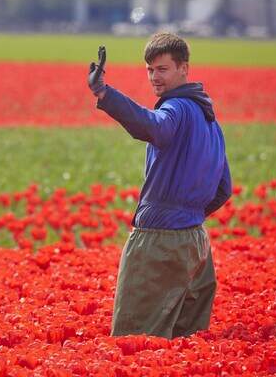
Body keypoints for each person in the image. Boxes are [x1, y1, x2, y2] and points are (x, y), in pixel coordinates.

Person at [87, 32, 232, 339]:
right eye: (150, 70)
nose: (154, 77)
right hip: (197, 245)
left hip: (159, 242)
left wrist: (105, 94)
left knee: (134, 344)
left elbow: (152, 126)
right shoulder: (211, 121)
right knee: (183, 349)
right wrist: (188, 215)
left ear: (184, 69)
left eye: (162, 69)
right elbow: (224, 189)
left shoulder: (176, 109)